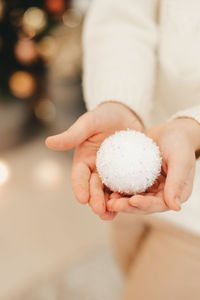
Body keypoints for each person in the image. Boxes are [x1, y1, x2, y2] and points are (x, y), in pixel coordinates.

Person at [46, 0, 200, 298]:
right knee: (130, 270)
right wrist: (119, 101)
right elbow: (122, 15)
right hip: (143, 162)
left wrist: (193, 127)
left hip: (193, 211)